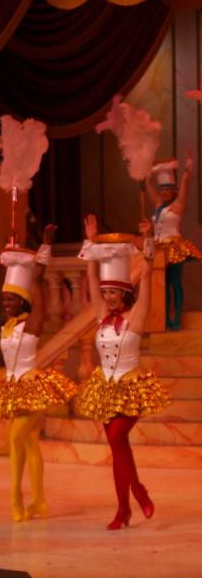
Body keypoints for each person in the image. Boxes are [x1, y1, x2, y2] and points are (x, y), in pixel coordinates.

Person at [76, 214, 171, 530]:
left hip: (132, 387)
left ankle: (139, 491)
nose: (107, 298)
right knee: (118, 450)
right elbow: (92, 278)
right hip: (105, 388)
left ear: (124, 293)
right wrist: (91, 241)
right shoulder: (101, 314)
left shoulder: (137, 316)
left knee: (117, 437)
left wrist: (149, 241)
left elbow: (148, 273)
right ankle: (123, 510)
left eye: (112, 293)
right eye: (105, 293)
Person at [0, 225, 76, 522]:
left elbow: (37, 279)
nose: (6, 304)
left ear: (23, 302)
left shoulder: (32, 322)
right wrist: (10, 246)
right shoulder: (6, 326)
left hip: (32, 386)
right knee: (30, 444)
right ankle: (39, 501)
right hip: (12, 387)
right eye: (4, 299)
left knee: (15, 439)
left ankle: (16, 496)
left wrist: (45, 244)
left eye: (11, 300)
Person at [146, 155, 201, 330]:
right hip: (159, 249)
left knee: (175, 282)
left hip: (174, 248)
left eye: (167, 189)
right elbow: (149, 185)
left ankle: (176, 317)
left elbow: (184, 185)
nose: (163, 192)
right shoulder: (158, 206)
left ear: (173, 191)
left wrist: (187, 171)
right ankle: (164, 318)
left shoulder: (178, 205)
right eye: (161, 189)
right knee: (162, 284)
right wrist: (147, 169)